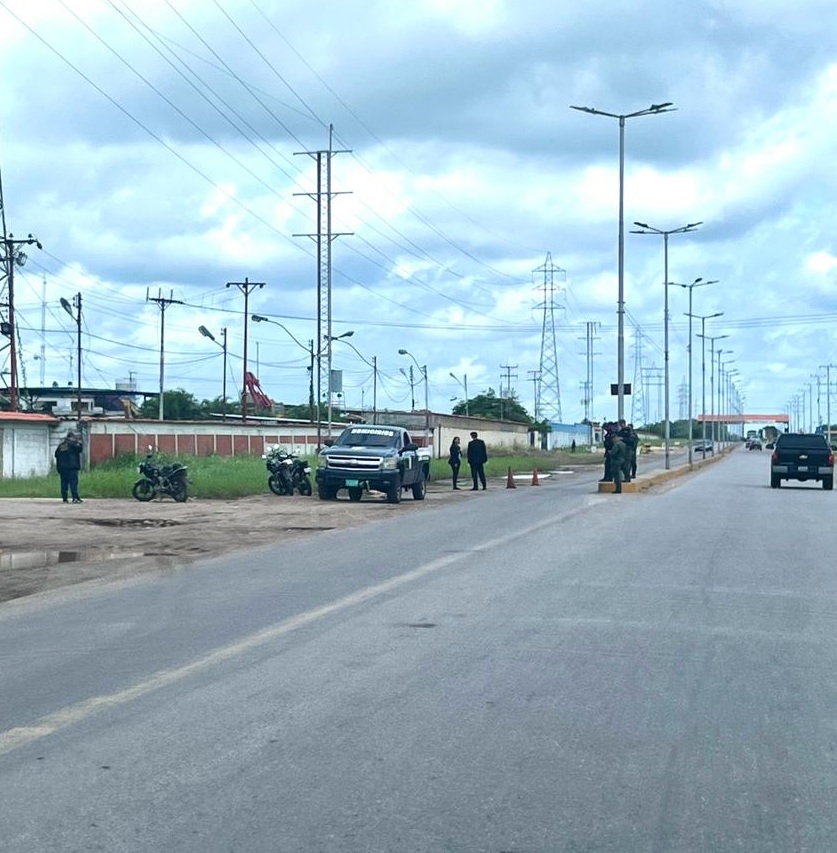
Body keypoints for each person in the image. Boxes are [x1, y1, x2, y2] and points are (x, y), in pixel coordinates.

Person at [55, 430, 83, 503]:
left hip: (62, 468)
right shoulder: (73, 444)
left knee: (64, 483)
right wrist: (79, 443)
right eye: (74, 437)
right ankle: (75, 498)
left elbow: (56, 455)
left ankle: (65, 498)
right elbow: (80, 449)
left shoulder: (61, 445)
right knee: (73, 483)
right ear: (72, 438)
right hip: (72, 467)